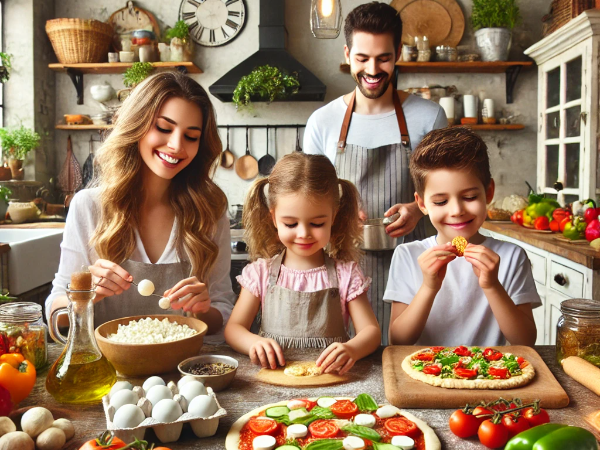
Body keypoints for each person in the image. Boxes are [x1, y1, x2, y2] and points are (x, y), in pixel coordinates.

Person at [45, 72, 236, 338]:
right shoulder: (89, 207)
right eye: (164, 128)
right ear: (136, 125)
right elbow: (55, 315)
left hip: (185, 369)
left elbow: (223, 310)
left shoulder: (209, 212)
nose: (176, 145)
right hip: (108, 372)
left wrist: (201, 310)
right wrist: (85, 295)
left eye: (191, 136)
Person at [303, 2, 447, 342]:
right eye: (362, 58)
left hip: (417, 267)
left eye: (383, 58)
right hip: (343, 270)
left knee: (412, 359)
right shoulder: (323, 122)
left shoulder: (429, 116)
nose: (372, 69)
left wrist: (417, 208)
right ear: (348, 52)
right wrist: (339, 208)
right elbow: (306, 198)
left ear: (397, 53)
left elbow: (447, 189)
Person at [224, 153, 381, 375]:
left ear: (333, 216)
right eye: (290, 223)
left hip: (330, 384)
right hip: (273, 384)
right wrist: (252, 343)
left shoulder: (346, 274)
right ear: (274, 218)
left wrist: (352, 349)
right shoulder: (260, 273)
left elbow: (371, 331)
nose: (303, 234)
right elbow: (234, 329)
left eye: (317, 223)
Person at [385, 127, 540, 346]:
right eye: (440, 202)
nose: (457, 210)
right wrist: (429, 287)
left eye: (469, 196)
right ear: (421, 204)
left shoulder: (512, 256)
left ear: (489, 193)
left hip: (491, 376)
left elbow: (525, 342)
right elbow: (398, 341)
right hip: (425, 374)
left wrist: (492, 286)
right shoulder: (408, 255)